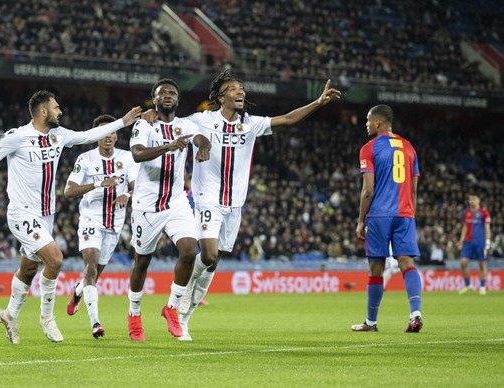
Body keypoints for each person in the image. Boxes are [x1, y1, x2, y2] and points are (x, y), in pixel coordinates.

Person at [0, 90, 141, 344]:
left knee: (28, 268)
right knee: (55, 260)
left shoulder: (58, 135)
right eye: (56, 108)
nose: (61, 111)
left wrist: (123, 122)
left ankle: (10, 315)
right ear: (43, 112)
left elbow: (88, 135)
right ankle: (47, 318)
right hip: (22, 212)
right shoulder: (18, 137)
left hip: (46, 216)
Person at [176, 69, 341, 341]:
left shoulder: (250, 124)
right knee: (207, 254)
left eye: (241, 88)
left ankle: (184, 319)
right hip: (207, 197)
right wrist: (150, 117)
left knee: (214, 261)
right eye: (232, 88)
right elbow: (172, 124)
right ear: (220, 96)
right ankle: (181, 293)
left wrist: (318, 102)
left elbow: (288, 119)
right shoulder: (201, 120)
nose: (240, 91)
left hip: (234, 203)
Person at [127, 78, 211, 342]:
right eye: (162, 92)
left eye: (172, 92)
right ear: (154, 99)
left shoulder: (185, 125)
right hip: (146, 205)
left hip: (175, 202)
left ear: (177, 100)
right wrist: (168, 146)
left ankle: (171, 308)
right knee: (142, 262)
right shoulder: (144, 123)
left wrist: (204, 146)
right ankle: (134, 313)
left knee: (189, 251)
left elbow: (199, 137)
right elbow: (137, 154)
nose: (167, 95)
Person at [64, 114, 138, 339]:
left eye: (113, 132)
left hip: (114, 225)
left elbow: (137, 186)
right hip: (91, 220)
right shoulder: (85, 159)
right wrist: (98, 183)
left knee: (94, 276)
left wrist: (126, 193)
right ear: (96, 136)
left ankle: (78, 292)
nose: (109, 136)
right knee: (90, 267)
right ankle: (95, 322)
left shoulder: (127, 158)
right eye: (104, 133)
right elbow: (68, 191)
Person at [351, 104, 423, 333]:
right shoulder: (409, 147)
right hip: (405, 213)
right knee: (406, 263)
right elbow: (413, 188)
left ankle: (371, 322)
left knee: (376, 267)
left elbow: (368, 190)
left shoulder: (369, 148)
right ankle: (415, 314)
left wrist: (361, 220)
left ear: (378, 123)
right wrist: (411, 213)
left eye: (367, 120)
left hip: (380, 214)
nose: (365, 124)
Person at [457, 194, 491, 295]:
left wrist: (488, 241)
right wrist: (461, 240)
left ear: (478, 200)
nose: (472, 201)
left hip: (481, 242)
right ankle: (468, 285)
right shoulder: (466, 213)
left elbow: (487, 228)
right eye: (470, 199)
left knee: (482, 264)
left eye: (474, 199)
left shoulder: (484, 212)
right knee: (463, 262)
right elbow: (465, 227)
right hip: (468, 242)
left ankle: (482, 287)